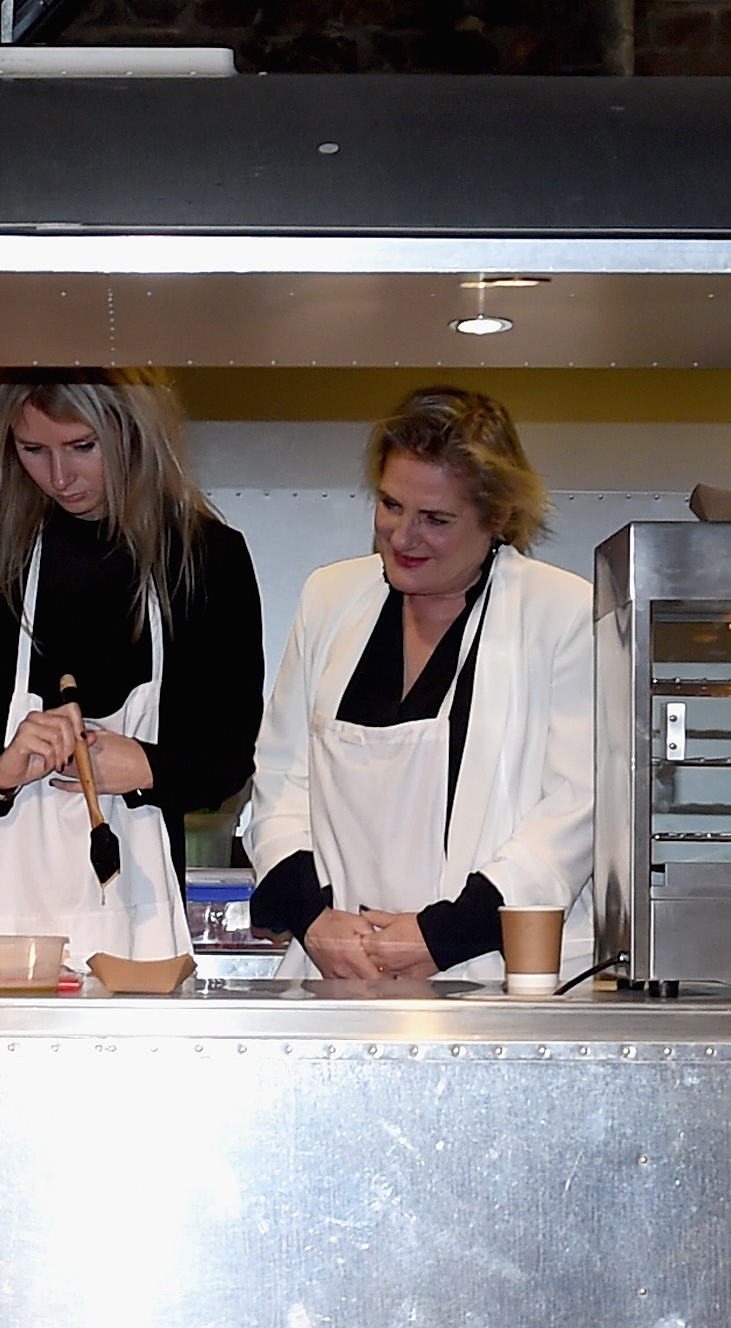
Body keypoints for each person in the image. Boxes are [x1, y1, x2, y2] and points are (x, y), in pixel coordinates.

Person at [0, 370, 266, 966]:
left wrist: (148, 765)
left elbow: (228, 758)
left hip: (136, 915)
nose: (59, 477)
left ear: (133, 433)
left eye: (83, 447)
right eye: (32, 449)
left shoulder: (206, 559)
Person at [243, 385, 596, 988]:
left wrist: (443, 935)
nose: (402, 537)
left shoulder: (562, 614)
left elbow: (575, 811)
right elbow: (280, 781)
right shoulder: (328, 598)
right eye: (390, 505)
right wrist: (314, 919)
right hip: (339, 968)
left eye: (436, 520)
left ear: (499, 517)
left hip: (490, 970)